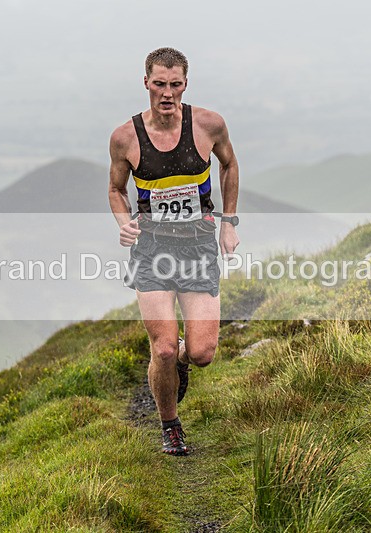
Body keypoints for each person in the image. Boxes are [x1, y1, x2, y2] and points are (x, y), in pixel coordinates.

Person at [108, 47, 240, 455]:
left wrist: (229, 222)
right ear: (146, 82)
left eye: (176, 84)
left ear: (186, 84)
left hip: (198, 247)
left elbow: (230, 165)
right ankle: (170, 426)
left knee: (201, 353)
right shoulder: (125, 137)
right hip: (151, 249)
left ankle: (180, 363)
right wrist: (124, 222)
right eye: (160, 84)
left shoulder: (208, 124)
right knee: (162, 346)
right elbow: (115, 189)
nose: (168, 93)